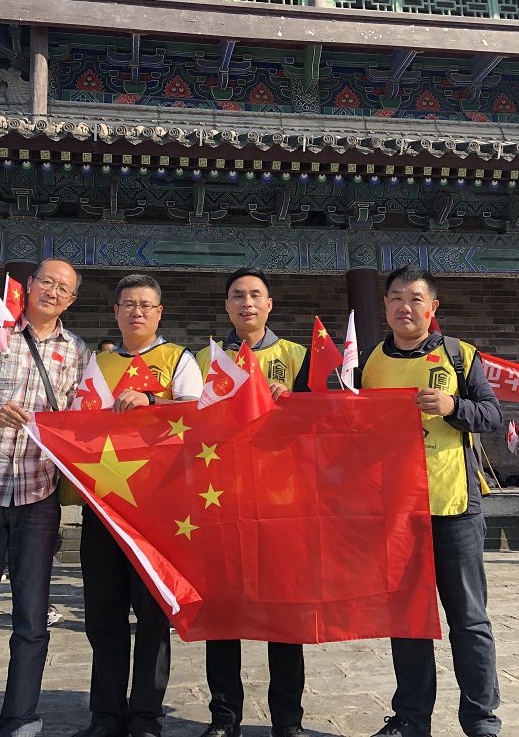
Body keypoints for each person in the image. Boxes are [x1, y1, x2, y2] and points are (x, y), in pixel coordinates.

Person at [0, 259, 90, 737]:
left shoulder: (76, 350)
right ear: (28, 286)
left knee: (31, 619)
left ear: (72, 300)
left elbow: (84, 417)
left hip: (38, 495)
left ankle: (21, 717)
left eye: (63, 288)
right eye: (46, 281)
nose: (53, 291)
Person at [359, 264, 502, 737]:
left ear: (432, 307)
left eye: (415, 298)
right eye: (396, 297)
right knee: (408, 621)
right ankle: (411, 719)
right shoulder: (369, 362)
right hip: (396, 510)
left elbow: (492, 414)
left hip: (454, 506)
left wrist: (453, 406)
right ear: (385, 306)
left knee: (469, 620)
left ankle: (481, 722)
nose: (405, 306)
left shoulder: (460, 356)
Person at [73, 273, 203, 737]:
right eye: (128, 304)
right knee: (102, 614)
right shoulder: (97, 364)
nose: (137, 312)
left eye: (146, 305)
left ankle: (146, 714)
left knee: (152, 615)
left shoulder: (179, 359)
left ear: (159, 312)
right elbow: (78, 421)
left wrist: (151, 399)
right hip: (104, 505)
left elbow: (197, 415)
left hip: (158, 508)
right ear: (116, 312)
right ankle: (105, 714)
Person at [196, 268, 309, 737]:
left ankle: (288, 720)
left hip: (284, 501)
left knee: (285, 615)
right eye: (238, 296)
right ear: (226, 305)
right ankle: (224, 718)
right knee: (222, 613)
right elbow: (185, 423)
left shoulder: (297, 356)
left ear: (269, 304)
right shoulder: (205, 359)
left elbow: (325, 420)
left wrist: (294, 400)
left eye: (255, 295)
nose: (247, 303)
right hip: (221, 499)